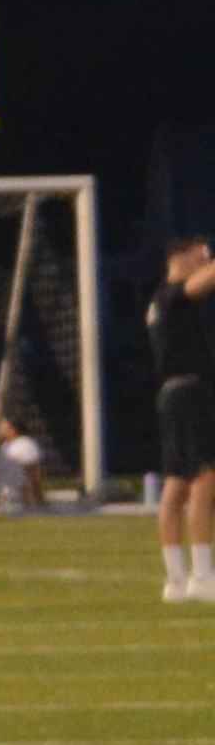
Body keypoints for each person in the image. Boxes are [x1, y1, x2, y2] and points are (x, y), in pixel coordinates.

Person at [155, 234, 215, 608]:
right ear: (184, 258)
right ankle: (203, 576)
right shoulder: (173, 293)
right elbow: (199, 282)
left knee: (176, 485)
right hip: (190, 393)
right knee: (206, 477)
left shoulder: (160, 299)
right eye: (202, 256)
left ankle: (175, 580)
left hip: (172, 395)